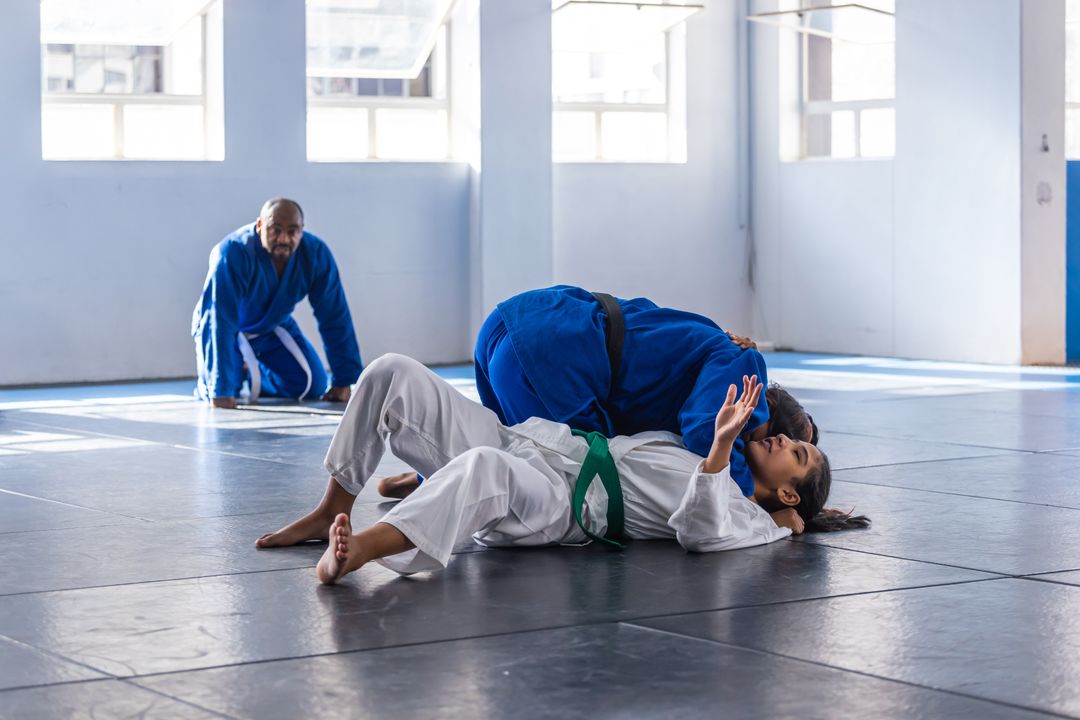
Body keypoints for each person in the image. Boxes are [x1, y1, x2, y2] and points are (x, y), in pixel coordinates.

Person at [254, 354, 865, 585]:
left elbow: (700, 535)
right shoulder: (707, 437)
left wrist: (782, 513)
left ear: (786, 488)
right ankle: (332, 505)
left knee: (484, 469)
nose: (785, 437)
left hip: (559, 501)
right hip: (534, 442)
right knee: (391, 373)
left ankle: (358, 551)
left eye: (799, 453)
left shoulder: (744, 515)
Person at [379, 285, 816, 502]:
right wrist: (757, 502)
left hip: (519, 323)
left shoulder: (720, 348)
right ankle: (438, 481)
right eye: (795, 444)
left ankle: (428, 473)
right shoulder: (746, 372)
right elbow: (705, 433)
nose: (783, 446)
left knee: (506, 439)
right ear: (769, 419)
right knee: (565, 475)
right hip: (557, 359)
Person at [192, 198, 363, 408]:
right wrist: (220, 388)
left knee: (312, 385)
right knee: (226, 391)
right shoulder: (232, 252)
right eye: (275, 230)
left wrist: (344, 380)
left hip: (269, 327)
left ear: (302, 230)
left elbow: (334, 316)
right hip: (223, 328)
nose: (283, 238)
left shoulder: (316, 255)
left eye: (292, 231)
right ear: (260, 226)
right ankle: (215, 381)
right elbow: (220, 319)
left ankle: (255, 375)